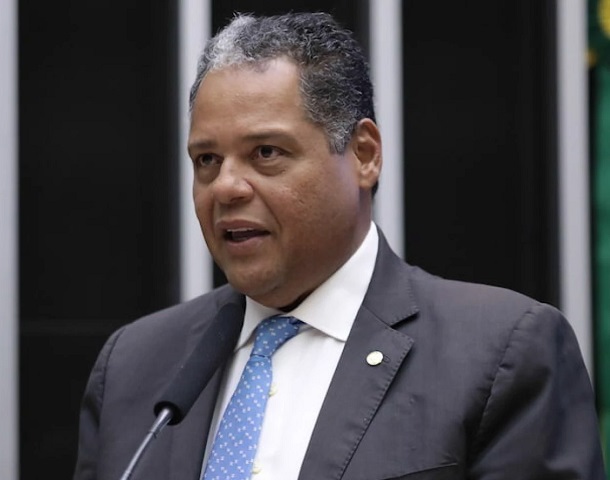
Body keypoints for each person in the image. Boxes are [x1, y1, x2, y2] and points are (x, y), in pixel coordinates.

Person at [73, 12, 606, 480]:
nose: (227, 187)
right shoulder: (135, 365)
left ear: (364, 155)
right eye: (207, 160)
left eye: (265, 152)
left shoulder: (500, 352)